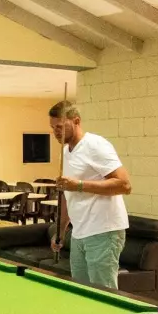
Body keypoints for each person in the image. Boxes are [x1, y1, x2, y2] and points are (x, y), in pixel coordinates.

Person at [48, 101, 132, 290]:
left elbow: (125, 185)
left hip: (103, 231)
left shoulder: (95, 145)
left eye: (60, 127)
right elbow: (66, 195)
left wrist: (79, 185)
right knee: (81, 292)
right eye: (53, 128)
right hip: (79, 232)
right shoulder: (65, 152)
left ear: (76, 121)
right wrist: (60, 231)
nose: (56, 132)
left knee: (103, 293)